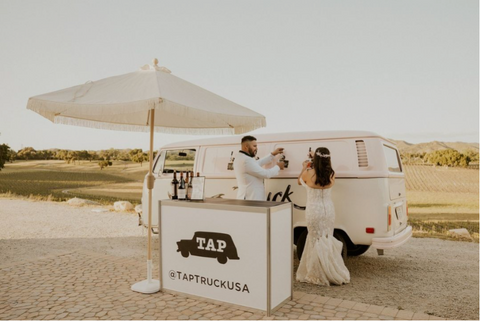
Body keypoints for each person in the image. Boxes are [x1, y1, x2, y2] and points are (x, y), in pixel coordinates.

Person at [296, 147, 350, 286]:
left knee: (315, 239)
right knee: (326, 238)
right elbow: (323, 169)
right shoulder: (331, 174)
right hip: (328, 211)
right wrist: (317, 158)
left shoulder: (308, 173)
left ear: (316, 160)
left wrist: (304, 166)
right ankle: (330, 269)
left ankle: (316, 272)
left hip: (314, 211)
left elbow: (298, 181)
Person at [234, 135, 285, 200]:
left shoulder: (240, 158)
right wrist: (278, 167)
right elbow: (266, 174)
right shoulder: (246, 160)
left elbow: (257, 163)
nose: (257, 148)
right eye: (254, 146)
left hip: (249, 198)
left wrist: (272, 154)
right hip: (251, 199)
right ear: (246, 146)